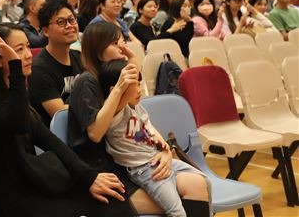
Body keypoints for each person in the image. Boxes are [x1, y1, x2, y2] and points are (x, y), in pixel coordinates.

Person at [0, 24, 127, 217]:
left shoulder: (14, 96)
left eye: (28, 47)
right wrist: (16, 69)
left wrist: (89, 177)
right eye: (19, 50)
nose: (28, 55)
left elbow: (52, 142)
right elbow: (18, 124)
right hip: (7, 201)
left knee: (111, 197)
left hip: (32, 186)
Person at [69, 22, 211, 216]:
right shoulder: (88, 82)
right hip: (107, 172)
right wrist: (119, 88)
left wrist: (164, 152)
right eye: (115, 43)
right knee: (178, 205)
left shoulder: (117, 78)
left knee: (199, 185)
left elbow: (143, 124)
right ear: (97, 49)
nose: (121, 47)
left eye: (122, 41)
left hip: (137, 160)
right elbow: (95, 133)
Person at [100, 59, 211, 217]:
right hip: (144, 170)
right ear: (117, 90)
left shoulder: (137, 107)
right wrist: (120, 89)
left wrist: (158, 141)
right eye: (133, 86)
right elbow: (117, 98)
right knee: (177, 211)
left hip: (156, 159)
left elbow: (147, 127)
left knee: (205, 182)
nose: (139, 90)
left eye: (139, 84)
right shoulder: (115, 112)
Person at [28, 0, 82, 126]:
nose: (70, 26)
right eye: (61, 22)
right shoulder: (39, 69)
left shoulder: (80, 57)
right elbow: (61, 116)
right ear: (46, 31)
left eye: (72, 20)